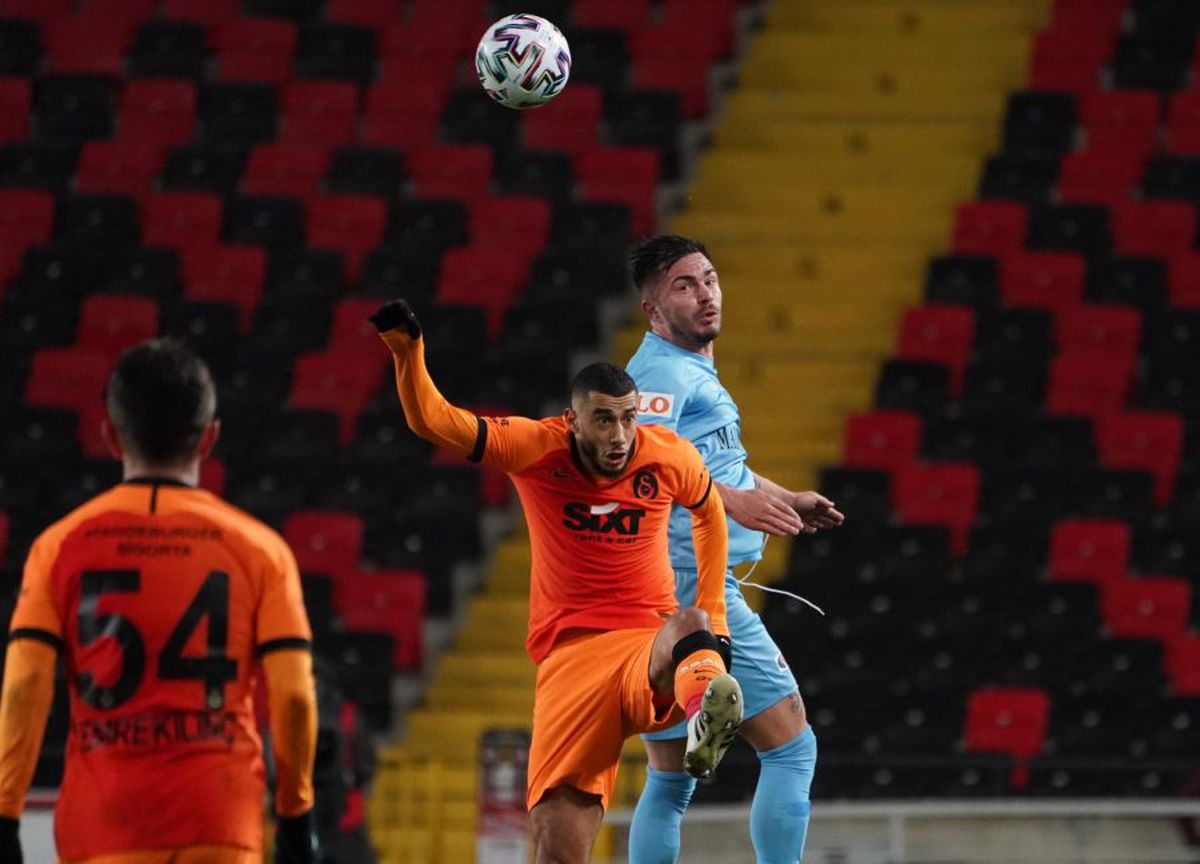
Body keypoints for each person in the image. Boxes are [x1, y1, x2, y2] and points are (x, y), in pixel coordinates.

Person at [370, 299, 744, 864]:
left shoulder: (666, 454)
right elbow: (434, 420)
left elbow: (709, 510)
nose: (620, 434)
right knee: (557, 849)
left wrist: (715, 616)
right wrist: (407, 350)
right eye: (604, 419)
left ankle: (705, 716)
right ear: (573, 420)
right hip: (571, 659)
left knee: (689, 628)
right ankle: (703, 690)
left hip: (646, 644)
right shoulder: (535, 448)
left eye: (629, 417)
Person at [0, 338, 321, 864]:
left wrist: (5, 813)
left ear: (109, 435)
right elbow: (293, 699)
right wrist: (295, 816)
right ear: (209, 438)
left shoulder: (59, 545)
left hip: (104, 825)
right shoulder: (262, 550)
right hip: (220, 818)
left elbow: (26, 685)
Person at [624, 235, 845, 864]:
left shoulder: (689, 369)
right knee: (793, 749)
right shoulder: (661, 374)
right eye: (684, 286)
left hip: (659, 591)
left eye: (710, 279)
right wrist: (731, 502)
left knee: (669, 781)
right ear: (653, 309)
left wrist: (784, 495)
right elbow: (638, 468)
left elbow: (722, 466)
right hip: (693, 587)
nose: (706, 294)